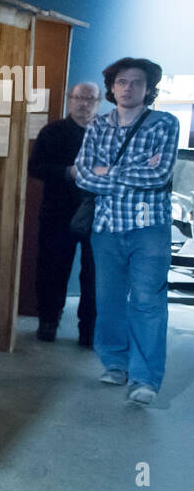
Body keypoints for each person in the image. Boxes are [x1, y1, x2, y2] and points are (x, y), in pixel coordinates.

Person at [73, 57, 178, 406]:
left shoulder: (164, 123)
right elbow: (84, 175)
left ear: (148, 89)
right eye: (121, 81)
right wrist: (127, 169)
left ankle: (144, 377)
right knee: (109, 300)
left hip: (149, 228)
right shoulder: (98, 126)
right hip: (106, 228)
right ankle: (115, 363)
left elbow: (159, 175)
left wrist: (108, 172)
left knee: (148, 302)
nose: (128, 87)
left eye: (136, 82)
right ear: (112, 87)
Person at [29, 82, 99, 344]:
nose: (84, 103)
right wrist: (66, 172)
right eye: (79, 97)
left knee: (93, 274)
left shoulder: (107, 132)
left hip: (96, 213)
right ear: (70, 99)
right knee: (52, 269)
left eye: (90, 99)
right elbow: (34, 168)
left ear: (99, 102)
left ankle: (89, 330)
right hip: (57, 212)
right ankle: (48, 321)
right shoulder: (52, 131)